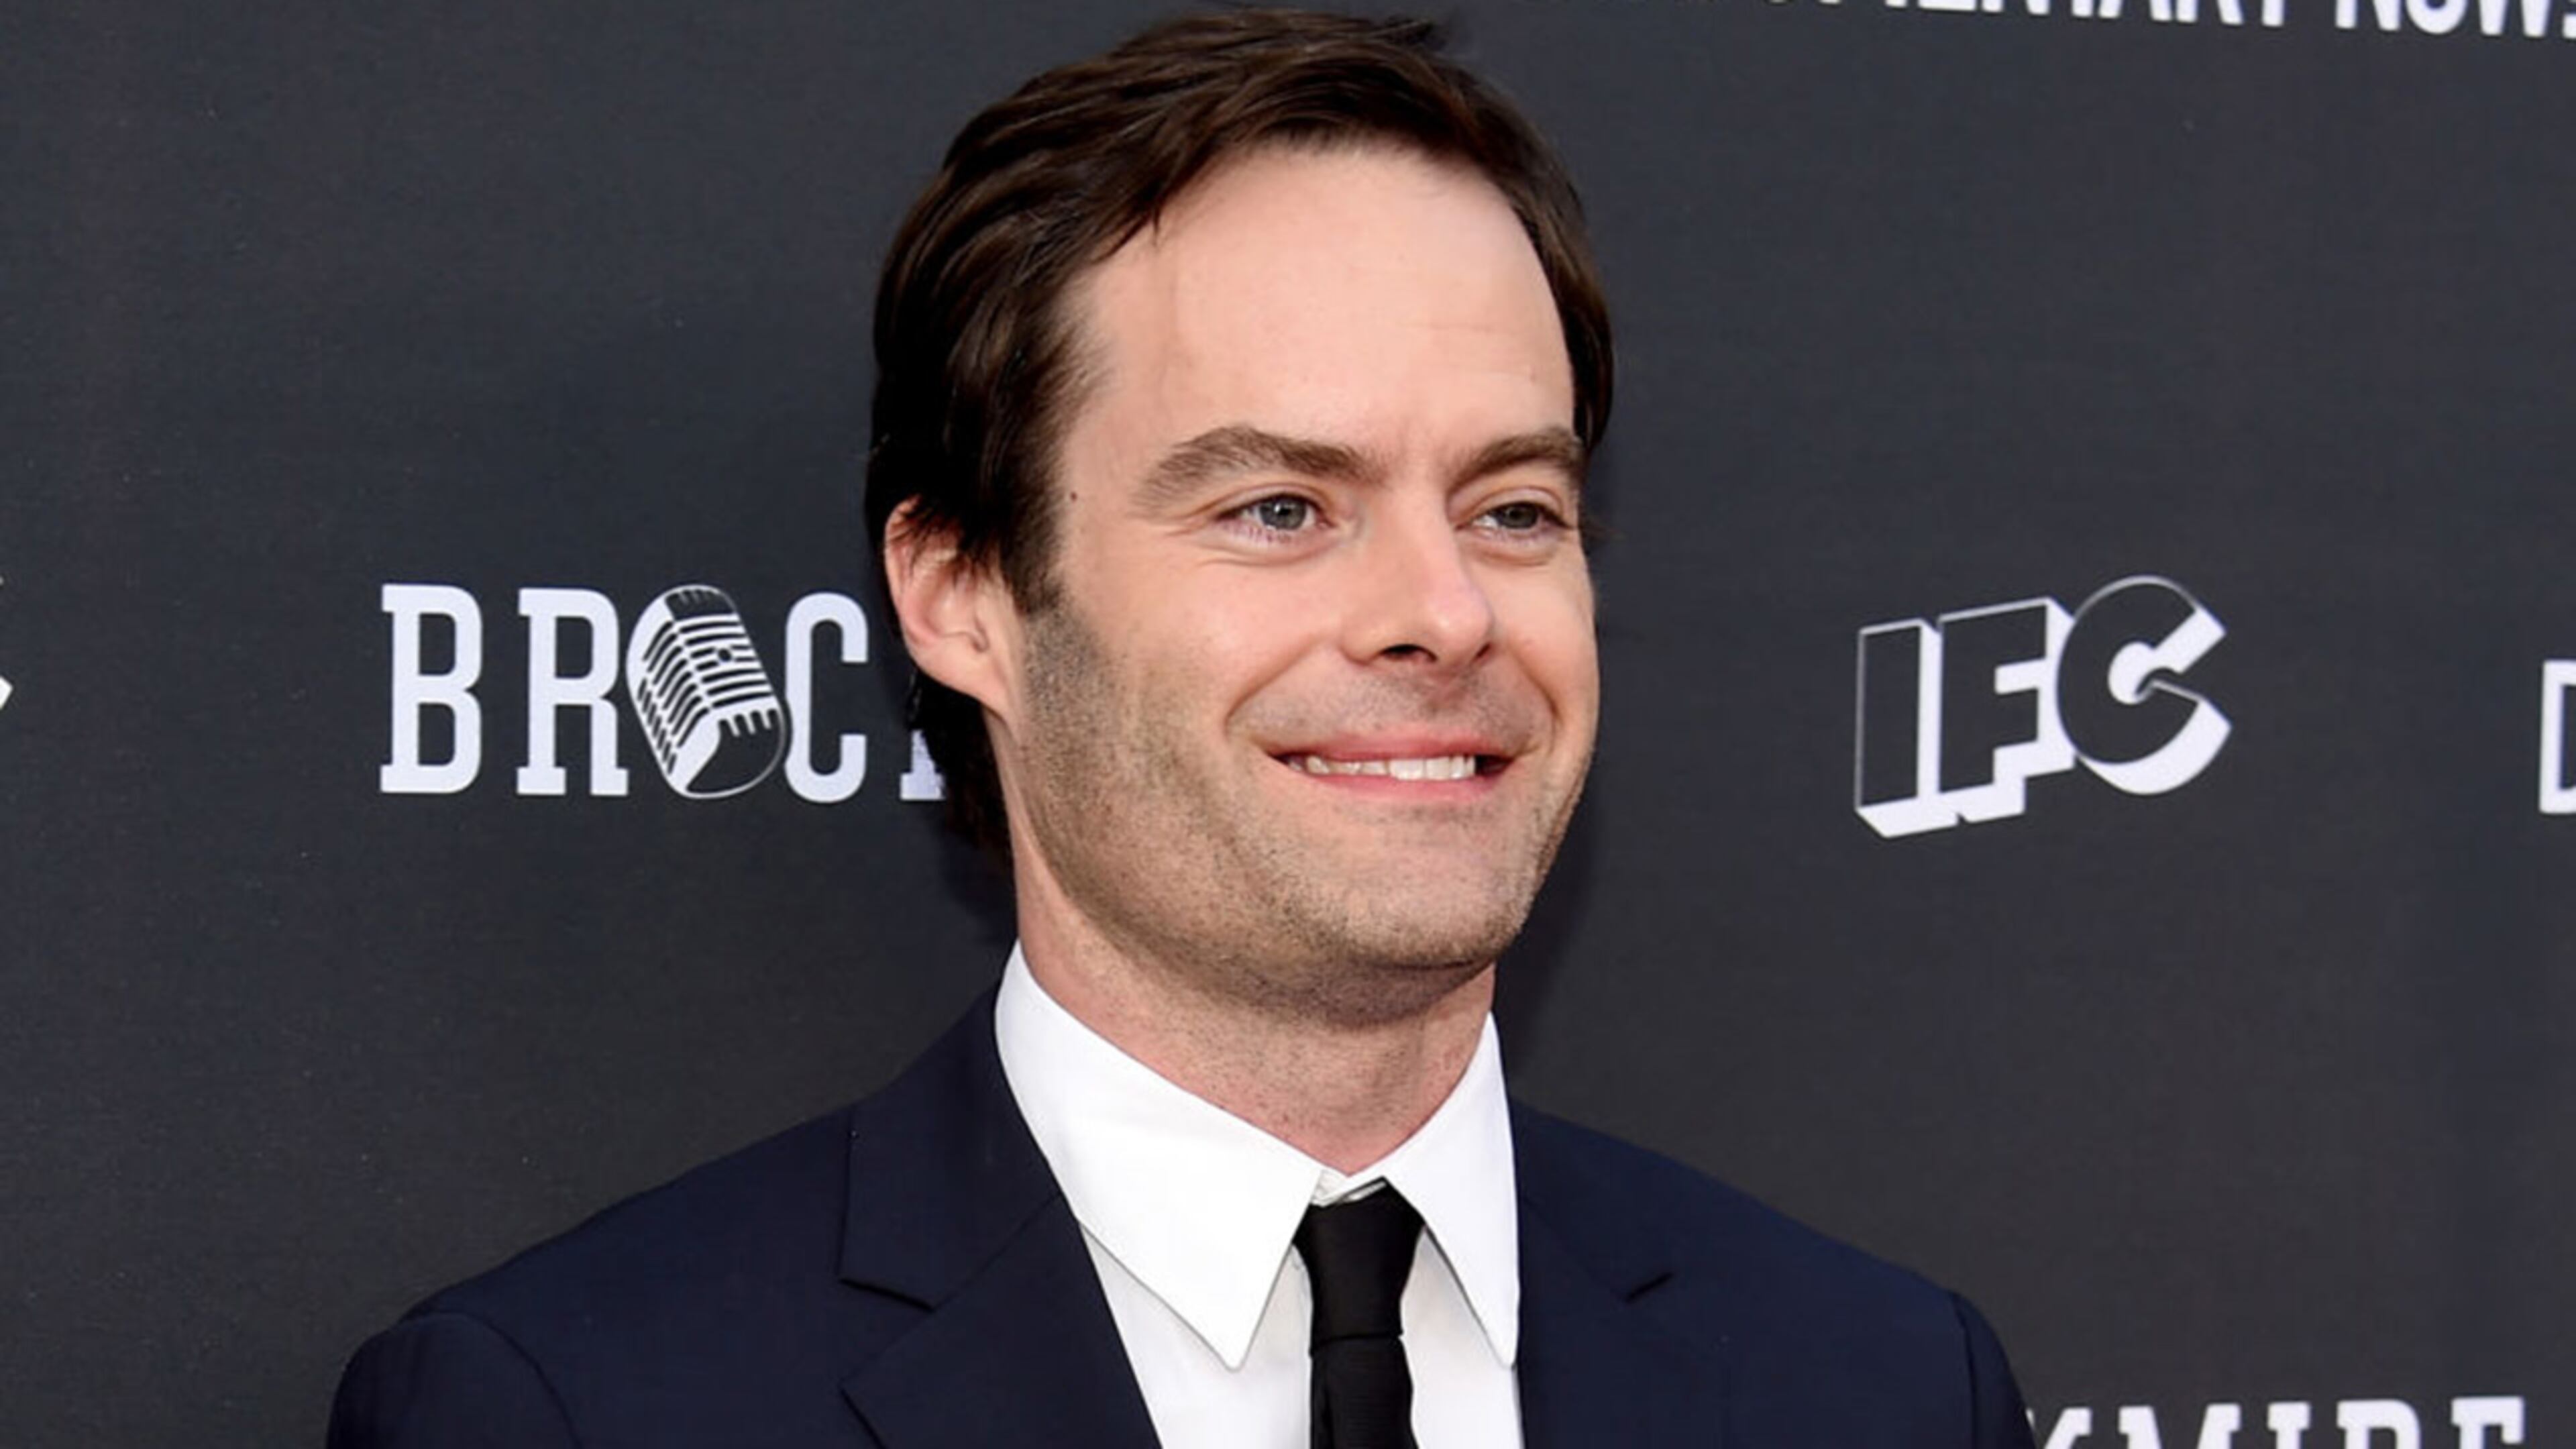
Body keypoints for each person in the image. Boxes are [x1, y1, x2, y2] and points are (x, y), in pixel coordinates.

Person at [330, 11, 2037, 1448]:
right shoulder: (579, 1408)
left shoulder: (1882, 1387)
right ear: (963, 594)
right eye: (1283, 508)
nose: (1443, 613)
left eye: (1514, 508)